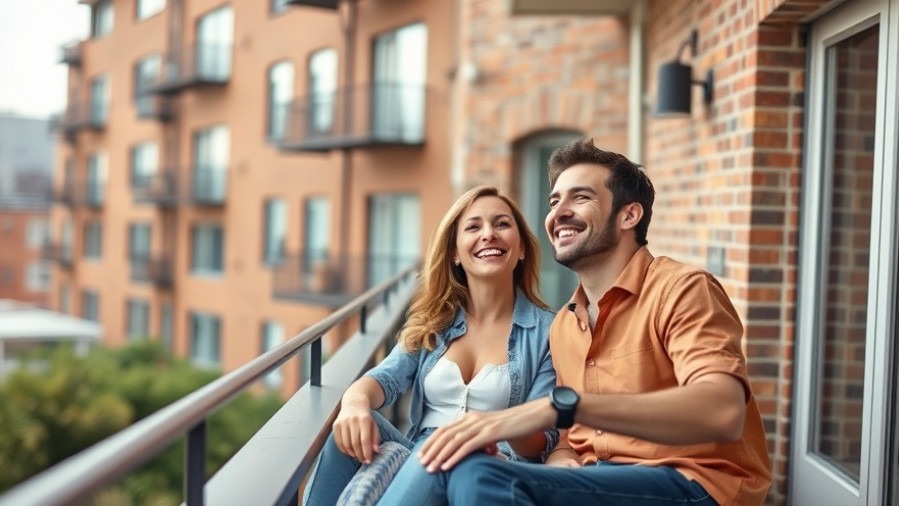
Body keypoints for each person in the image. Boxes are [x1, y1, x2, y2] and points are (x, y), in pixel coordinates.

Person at [415, 139, 772, 505]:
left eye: (580, 198)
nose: (558, 213)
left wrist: (559, 406)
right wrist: (562, 457)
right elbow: (572, 438)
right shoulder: (566, 325)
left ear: (628, 216)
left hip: (693, 483)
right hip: (600, 481)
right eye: (554, 202)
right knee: (468, 466)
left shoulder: (681, 289)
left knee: (479, 477)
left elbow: (722, 411)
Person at [303, 186, 558, 505]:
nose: (488, 234)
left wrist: (490, 430)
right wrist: (354, 406)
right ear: (454, 253)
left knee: (454, 449)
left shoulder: (550, 331)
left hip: (490, 470)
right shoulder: (435, 321)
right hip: (417, 460)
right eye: (473, 227)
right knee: (347, 434)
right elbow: (384, 379)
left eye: (502, 224)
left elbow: (543, 440)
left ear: (521, 248)